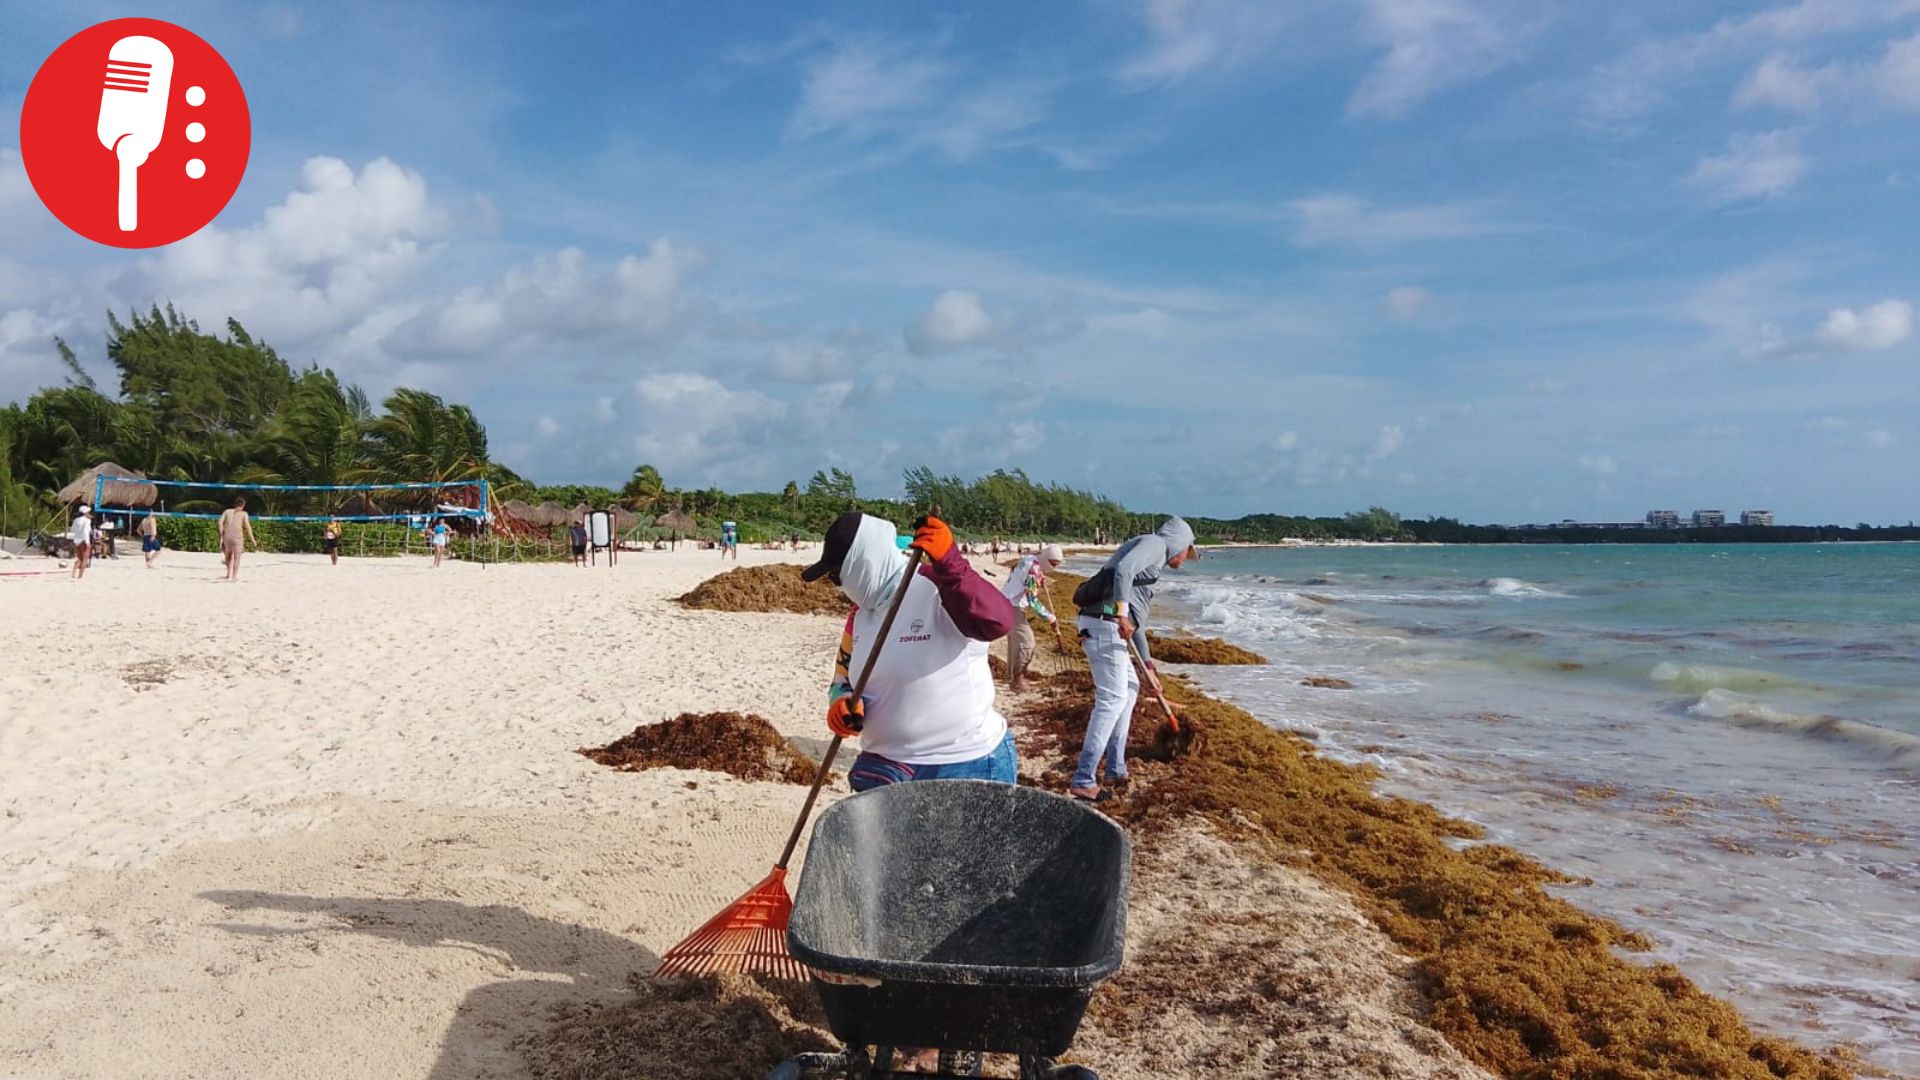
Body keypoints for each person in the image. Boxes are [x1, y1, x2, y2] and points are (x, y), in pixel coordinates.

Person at [803, 511, 1019, 792]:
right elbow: (842, 676)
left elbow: (998, 621)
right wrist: (841, 700)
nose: (838, 585)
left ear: (861, 563)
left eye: (836, 575)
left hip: (964, 761)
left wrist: (951, 564)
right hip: (888, 767)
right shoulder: (859, 617)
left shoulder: (938, 585)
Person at [1068, 516, 1197, 802]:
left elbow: (1136, 625)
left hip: (1106, 626)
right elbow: (1123, 570)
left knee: (1130, 688)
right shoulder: (1155, 544)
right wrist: (1122, 613)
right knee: (1112, 699)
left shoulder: (1150, 571)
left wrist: (1149, 667)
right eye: (1188, 551)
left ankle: (1115, 768)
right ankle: (1084, 778)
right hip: (1104, 625)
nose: (1186, 558)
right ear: (1181, 543)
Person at [1000, 543, 1064, 692]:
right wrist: (1051, 618)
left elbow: (1014, 570)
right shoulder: (1034, 569)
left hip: (1005, 600)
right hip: (1012, 605)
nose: (1054, 568)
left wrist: (1039, 579)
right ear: (1046, 559)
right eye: (1053, 564)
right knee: (1027, 642)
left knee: (1015, 642)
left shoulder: (1030, 559)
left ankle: (1010, 676)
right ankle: (1018, 679)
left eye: (1057, 565)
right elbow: (1032, 600)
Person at [218, 497, 256, 581]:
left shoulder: (227, 511)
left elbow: (220, 522)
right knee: (237, 558)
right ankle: (234, 576)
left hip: (227, 536)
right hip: (237, 537)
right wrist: (252, 539)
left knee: (228, 556)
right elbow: (248, 527)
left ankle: (228, 574)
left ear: (235, 504)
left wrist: (221, 532)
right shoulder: (244, 514)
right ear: (243, 505)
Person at [69, 504, 92, 580]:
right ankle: (80, 576)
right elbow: (86, 531)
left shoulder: (76, 520)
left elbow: (72, 530)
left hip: (76, 540)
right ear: (85, 513)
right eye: (88, 512)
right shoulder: (87, 520)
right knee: (85, 559)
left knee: (79, 559)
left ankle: (73, 573)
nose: (89, 513)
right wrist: (87, 542)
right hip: (83, 540)